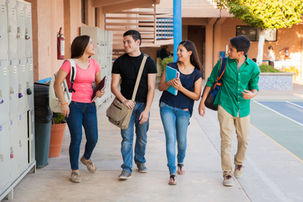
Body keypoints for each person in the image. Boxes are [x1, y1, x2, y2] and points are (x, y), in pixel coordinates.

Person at [198, 36, 260, 187]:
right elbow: (211, 81)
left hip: (243, 108)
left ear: (241, 53)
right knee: (226, 140)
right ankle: (227, 173)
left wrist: (253, 94)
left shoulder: (253, 67)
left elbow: (254, 86)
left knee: (244, 139)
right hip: (225, 105)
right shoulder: (222, 63)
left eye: (231, 49)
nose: (228, 51)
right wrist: (202, 102)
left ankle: (239, 163)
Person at [54, 35, 105, 183]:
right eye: (91, 43)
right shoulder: (69, 64)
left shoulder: (94, 64)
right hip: (73, 106)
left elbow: (97, 84)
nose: (93, 45)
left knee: (93, 138)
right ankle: (75, 170)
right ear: (83, 46)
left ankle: (86, 158)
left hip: (89, 105)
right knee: (76, 138)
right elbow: (58, 84)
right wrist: (64, 103)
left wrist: (99, 92)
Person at [111, 30, 157, 180]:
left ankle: (140, 160)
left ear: (137, 43)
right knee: (127, 138)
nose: (125, 45)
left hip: (143, 105)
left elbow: (151, 87)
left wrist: (147, 110)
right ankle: (126, 168)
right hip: (126, 107)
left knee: (142, 137)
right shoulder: (119, 62)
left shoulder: (149, 62)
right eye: (124, 42)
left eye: (128, 42)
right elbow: (114, 86)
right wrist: (124, 100)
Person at [158, 40, 202, 185]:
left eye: (181, 50)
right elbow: (161, 87)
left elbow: (196, 96)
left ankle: (180, 162)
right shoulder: (171, 67)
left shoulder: (196, 73)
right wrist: (169, 84)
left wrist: (181, 88)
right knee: (171, 139)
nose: (177, 53)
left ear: (190, 53)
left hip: (184, 110)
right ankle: (172, 172)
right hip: (167, 106)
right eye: (177, 50)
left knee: (181, 141)